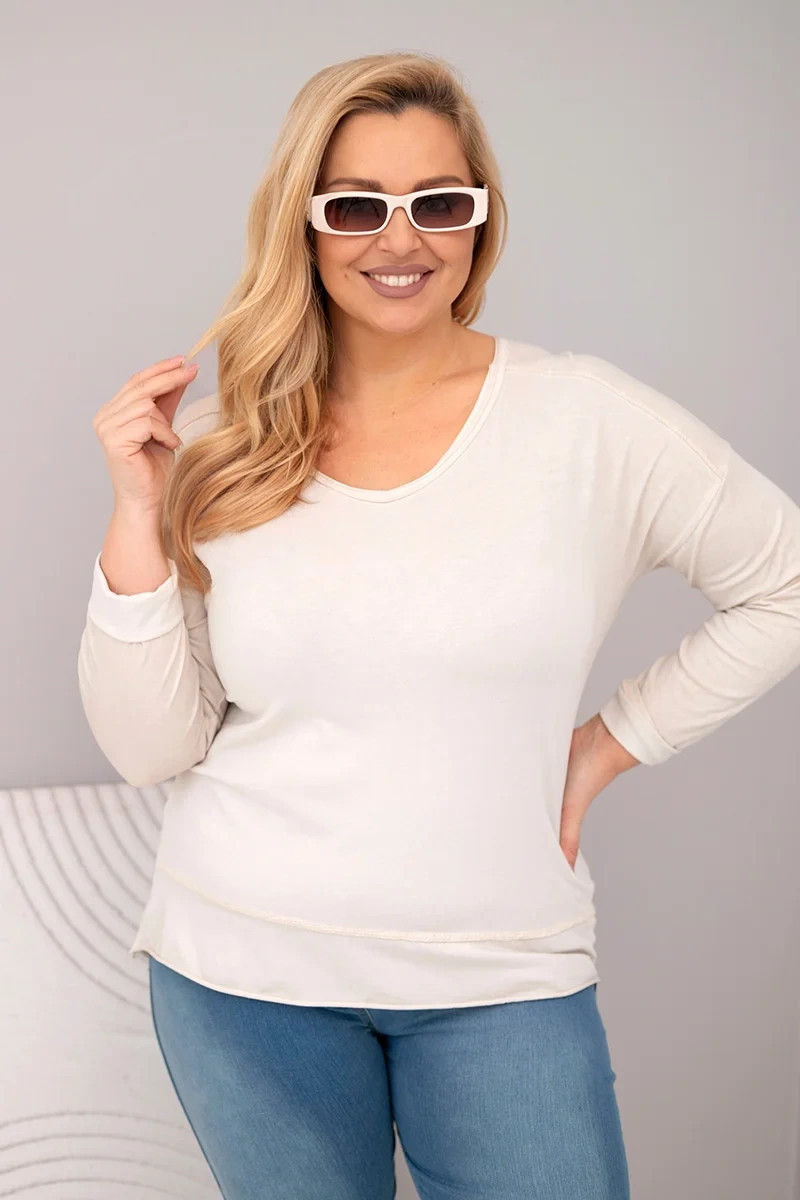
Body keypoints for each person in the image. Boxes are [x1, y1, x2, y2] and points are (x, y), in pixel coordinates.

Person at [77, 51, 800, 1200]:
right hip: (244, 974)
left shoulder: (585, 423)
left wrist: (606, 746)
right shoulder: (223, 446)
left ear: (479, 219)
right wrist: (135, 514)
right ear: (306, 225)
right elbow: (149, 747)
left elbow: (783, 580)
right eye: (356, 206)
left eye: (438, 203)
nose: (400, 239)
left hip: (498, 973)